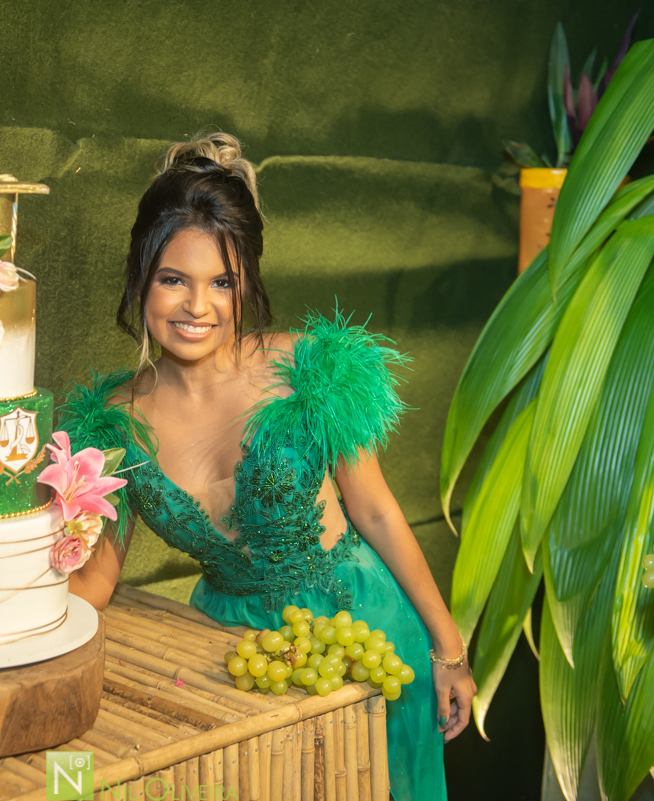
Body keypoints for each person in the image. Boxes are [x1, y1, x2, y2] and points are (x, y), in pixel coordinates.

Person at [60, 132, 474, 801]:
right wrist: (7, 626)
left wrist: (447, 648)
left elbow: (376, 511)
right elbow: (97, 577)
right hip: (233, 652)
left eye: (220, 282)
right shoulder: (111, 425)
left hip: (363, 629)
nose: (197, 307)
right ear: (141, 275)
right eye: (173, 279)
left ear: (245, 282)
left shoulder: (306, 369)